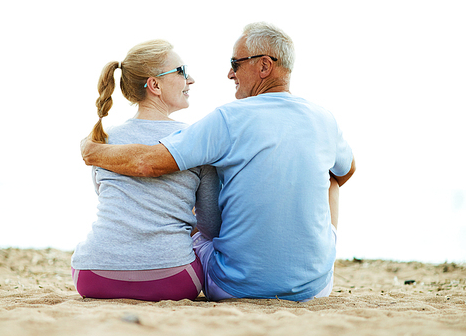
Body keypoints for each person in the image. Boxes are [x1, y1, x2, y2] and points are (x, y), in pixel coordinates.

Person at [81, 23, 355, 302]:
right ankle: (308, 262)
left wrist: (93, 152)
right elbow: (345, 172)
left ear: (264, 66)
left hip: (234, 287)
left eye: (235, 63)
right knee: (330, 180)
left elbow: (148, 163)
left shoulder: (227, 118)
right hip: (315, 287)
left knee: (201, 234)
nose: (229, 73)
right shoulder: (324, 119)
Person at [72, 39, 221, 301]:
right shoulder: (196, 138)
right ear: (154, 85)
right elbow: (210, 225)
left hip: (93, 275)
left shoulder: (103, 139)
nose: (191, 79)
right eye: (181, 71)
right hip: (172, 280)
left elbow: (108, 197)